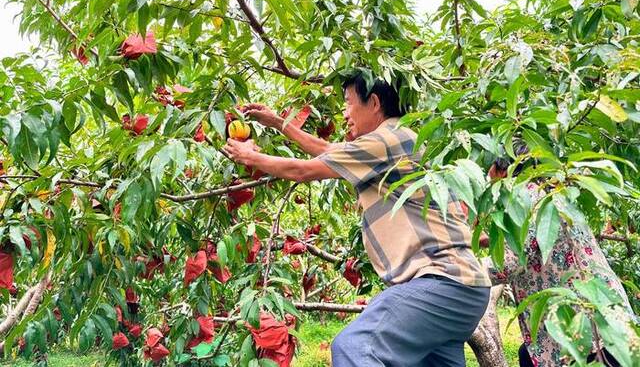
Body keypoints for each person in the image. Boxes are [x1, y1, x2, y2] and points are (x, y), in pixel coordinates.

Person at [223, 72, 491, 366]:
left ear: (374, 103)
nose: (344, 112)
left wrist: (249, 156)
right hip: (464, 290)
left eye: (349, 103)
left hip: (441, 281)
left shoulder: (386, 139)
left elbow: (303, 170)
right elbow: (326, 151)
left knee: (355, 347)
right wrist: (277, 123)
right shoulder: (396, 139)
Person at [487, 154, 635, 367]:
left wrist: (455, 271)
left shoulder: (523, 196)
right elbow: (529, 240)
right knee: (528, 355)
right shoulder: (554, 194)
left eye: (489, 171)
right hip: (605, 312)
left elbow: (511, 262)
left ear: (503, 170)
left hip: (583, 321)